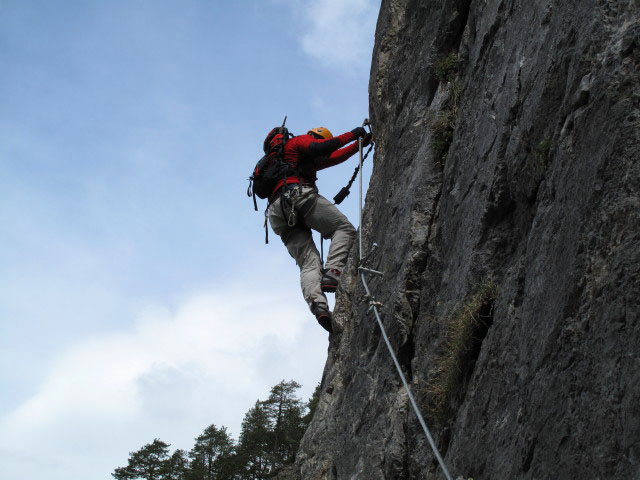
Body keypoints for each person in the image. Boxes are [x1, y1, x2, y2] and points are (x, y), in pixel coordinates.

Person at [266, 125, 371, 333]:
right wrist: (353, 134)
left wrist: (360, 144)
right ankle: (333, 271)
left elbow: (334, 157)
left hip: (277, 213)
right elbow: (322, 148)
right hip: (296, 196)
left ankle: (318, 305)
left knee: (308, 263)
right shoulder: (299, 142)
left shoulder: (293, 160)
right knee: (343, 228)